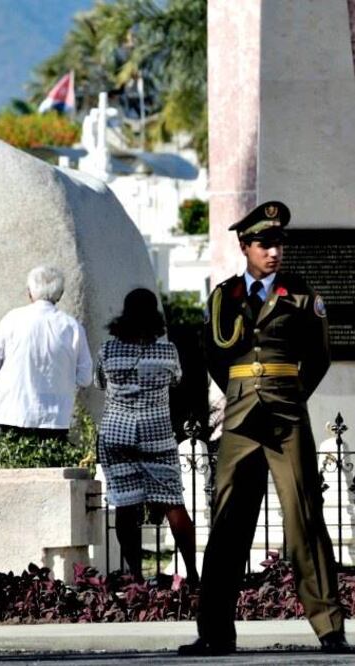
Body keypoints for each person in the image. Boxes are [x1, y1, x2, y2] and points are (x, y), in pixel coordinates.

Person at [180, 201, 352, 656]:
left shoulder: (300, 294)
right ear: (245, 246)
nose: (274, 251)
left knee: (305, 519)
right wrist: (241, 394)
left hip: (285, 415)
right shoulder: (224, 295)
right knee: (228, 522)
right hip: (239, 418)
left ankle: (329, 627)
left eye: (279, 243)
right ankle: (215, 631)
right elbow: (214, 356)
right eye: (264, 243)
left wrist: (288, 393)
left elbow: (318, 358)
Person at [96, 288, 198, 585]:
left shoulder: (108, 350)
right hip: (157, 436)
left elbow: (99, 382)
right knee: (172, 503)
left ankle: (137, 576)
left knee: (126, 505)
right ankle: (192, 574)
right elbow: (177, 379)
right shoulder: (168, 352)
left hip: (117, 435)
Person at [0, 265, 92, 442]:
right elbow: (84, 377)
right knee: (51, 468)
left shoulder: (14, 319)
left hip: (11, 414)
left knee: (8, 469)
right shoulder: (73, 328)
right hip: (55, 420)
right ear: (60, 295)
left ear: (29, 292)